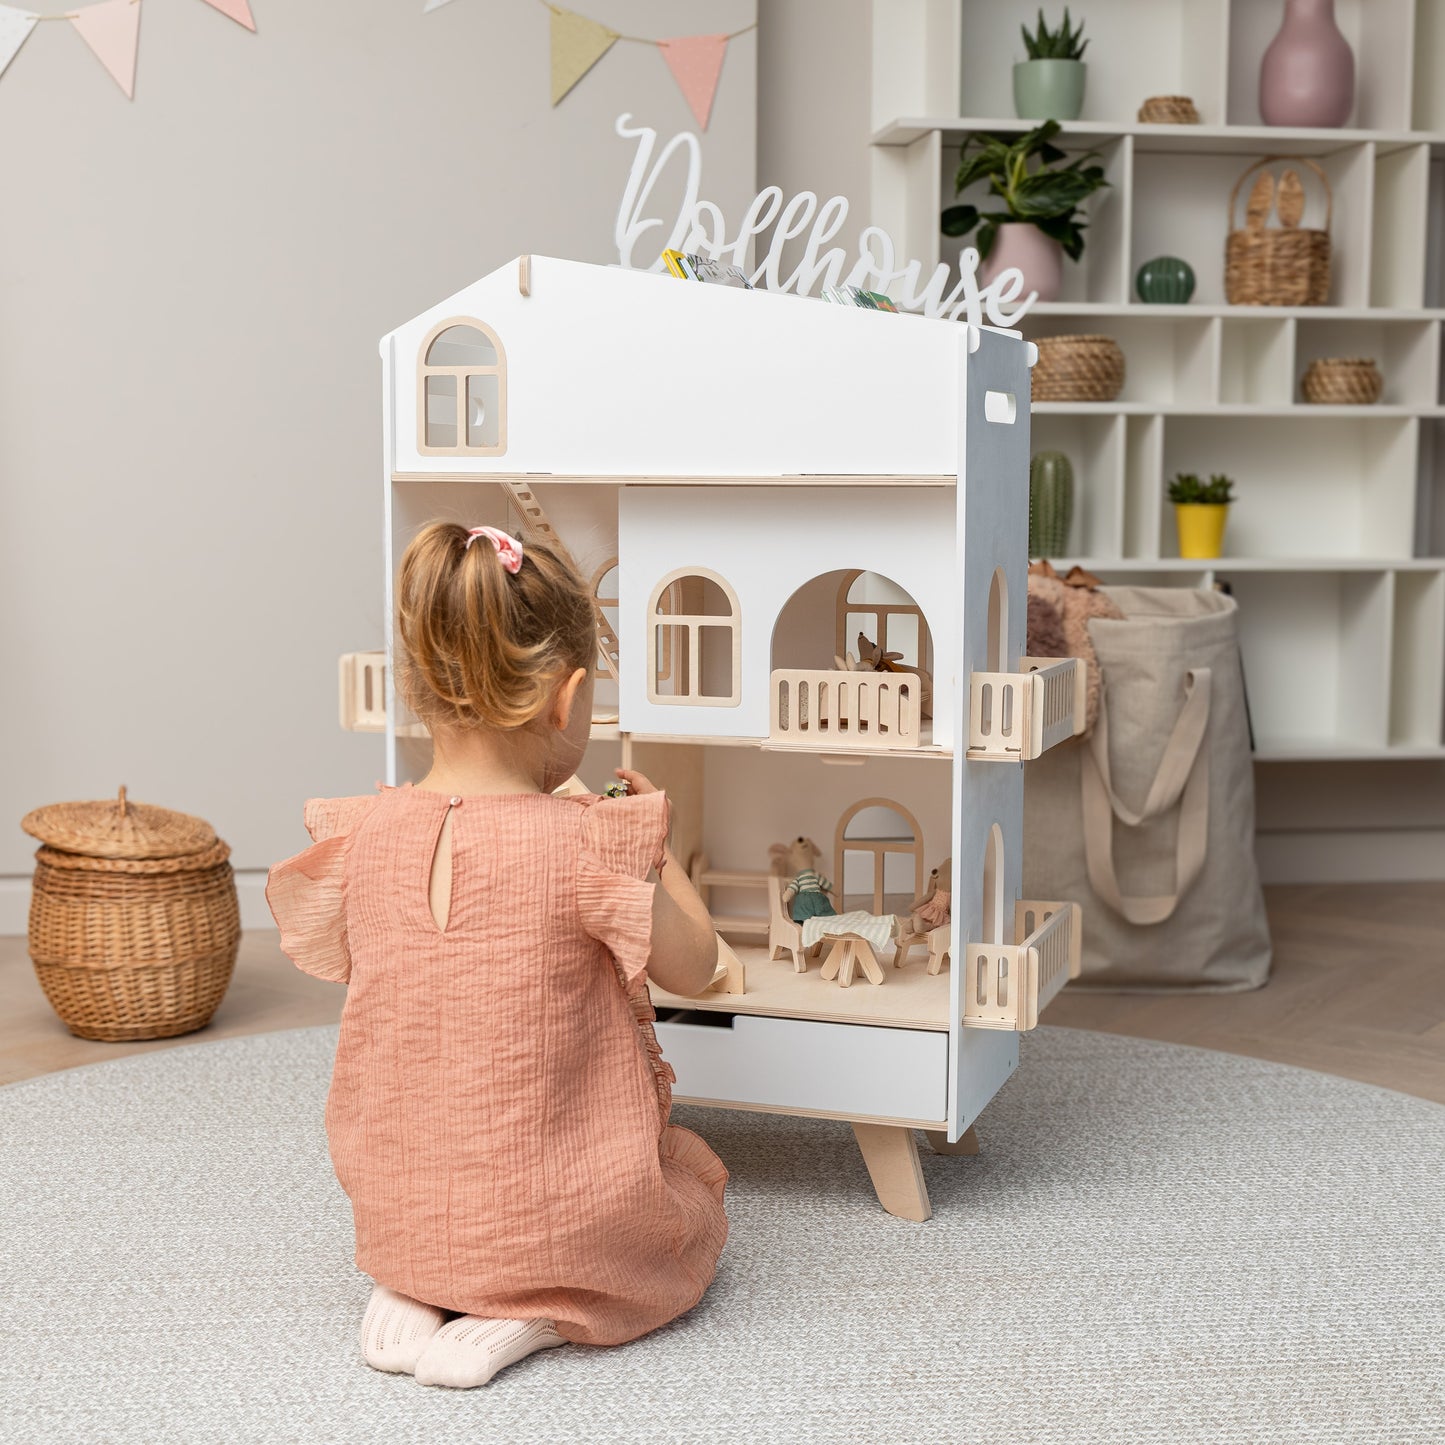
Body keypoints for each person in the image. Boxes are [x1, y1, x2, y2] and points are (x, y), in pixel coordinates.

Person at [266, 521, 727, 1389]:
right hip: (554, 1215)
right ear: (566, 697)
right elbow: (695, 967)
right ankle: (542, 1306)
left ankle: (413, 1281)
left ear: (418, 688)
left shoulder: (365, 832)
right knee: (690, 1209)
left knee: (441, 1117)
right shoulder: (588, 841)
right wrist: (653, 846)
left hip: (400, 1200)